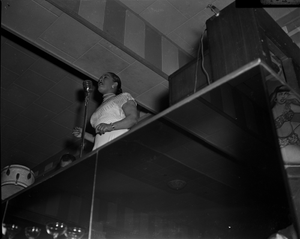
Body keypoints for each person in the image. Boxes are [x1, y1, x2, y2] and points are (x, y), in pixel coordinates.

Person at [72, 72, 139, 151]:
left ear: (114, 84)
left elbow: (133, 119)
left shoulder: (123, 97)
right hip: (98, 150)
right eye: (100, 78)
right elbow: (99, 138)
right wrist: (84, 134)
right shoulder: (97, 110)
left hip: (118, 145)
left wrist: (110, 126)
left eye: (105, 77)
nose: (100, 79)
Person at [270, 85, 300, 164]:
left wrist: (295, 97)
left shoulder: (288, 106)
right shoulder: (271, 111)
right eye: (280, 94)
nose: (283, 96)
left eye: (285, 94)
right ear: (275, 96)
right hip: (280, 143)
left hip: (293, 137)